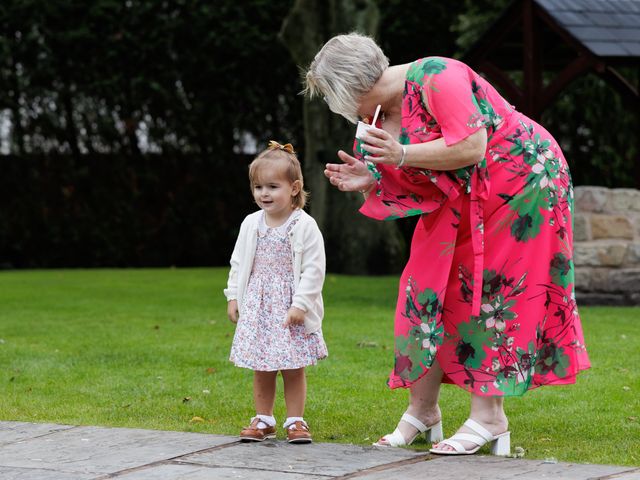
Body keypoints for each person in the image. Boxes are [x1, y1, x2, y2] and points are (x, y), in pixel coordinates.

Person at [304, 33, 590, 455]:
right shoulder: (381, 117)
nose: (338, 108)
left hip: (523, 182)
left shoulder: (439, 76)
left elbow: (471, 147)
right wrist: (373, 177)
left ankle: (489, 418)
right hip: (467, 195)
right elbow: (418, 174)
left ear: (347, 87)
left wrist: (399, 155)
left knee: (492, 292)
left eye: (332, 95)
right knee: (422, 287)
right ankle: (424, 411)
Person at [224, 141, 327, 444]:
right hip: (259, 305)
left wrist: (301, 305)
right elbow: (239, 262)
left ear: (294, 188)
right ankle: (264, 418)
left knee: (293, 366)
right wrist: (233, 295)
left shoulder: (304, 226)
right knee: (262, 365)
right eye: (258, 187)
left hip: (289, 307)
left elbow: (313, 269)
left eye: (272, 186)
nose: (264, 194)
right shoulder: (250, 224)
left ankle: (296, 420)